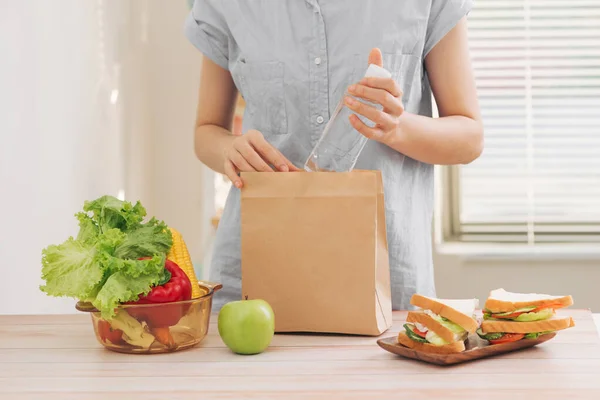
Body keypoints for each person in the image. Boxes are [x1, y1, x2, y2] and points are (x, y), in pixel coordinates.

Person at [184, 0, 483, 311]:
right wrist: (228, 150)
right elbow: (206, 131)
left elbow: (469, 138)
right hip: (253, 277)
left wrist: (396, 128)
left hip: (384, 280)